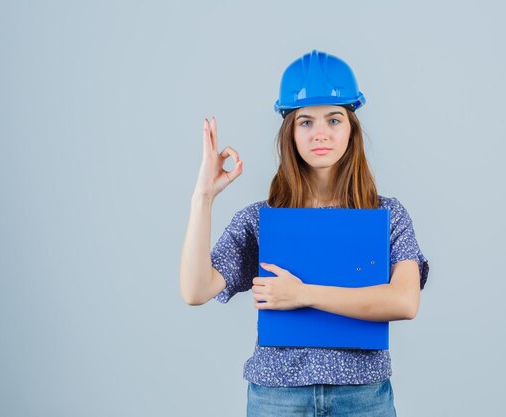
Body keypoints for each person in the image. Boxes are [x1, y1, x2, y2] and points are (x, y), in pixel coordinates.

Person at [180, 49, 429, 417]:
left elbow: (404, 301)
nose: (321, 134)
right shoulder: (262, 219)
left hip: (363, 396)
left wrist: (302, 294)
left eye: (334, 119)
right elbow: (196, 289)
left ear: (351, 129)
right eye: (306, 122)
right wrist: (203, 197)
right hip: (277, 398)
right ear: (290, 132)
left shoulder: (387, 215)